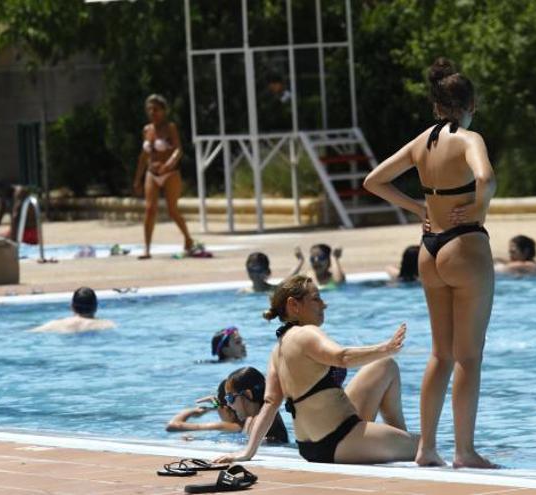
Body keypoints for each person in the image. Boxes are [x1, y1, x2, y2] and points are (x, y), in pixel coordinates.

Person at [363, 58, 497, 468]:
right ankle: (465, 451)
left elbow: (374, 180)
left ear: (436, 106)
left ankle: (426, 449)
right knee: (468, 357)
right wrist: (477, 209)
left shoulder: (423, 141)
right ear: (469, 103)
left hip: (429, 249)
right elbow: (487, 179)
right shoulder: (469, 139)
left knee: (440, 354)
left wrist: (415, 205)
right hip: (465, 248)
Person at [214, 276, 416, 465]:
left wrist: (248, 452)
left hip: (310, 447)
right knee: (426, 446)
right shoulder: (306, 334)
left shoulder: (278, 351)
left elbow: (270, 404)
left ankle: (398, 437)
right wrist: (385, 348)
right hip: (340, 439)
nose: (324, 304)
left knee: (384, 366)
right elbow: (342, 357)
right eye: (316, 299)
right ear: (294, 305)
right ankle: (403, 442)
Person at [132, 94, 194, 259]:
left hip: (170, 173)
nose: (153, 112)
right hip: (152, 173)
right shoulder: (147, 130)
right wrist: (137, 178)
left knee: (172, 210)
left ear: (164, 111)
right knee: (149, 209)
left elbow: (178, 149)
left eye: (156, 109)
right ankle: (147, 248)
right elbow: (144, 156)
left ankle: (188, 238)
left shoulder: (170, 128)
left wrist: (169, 164)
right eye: (150, 109)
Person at [167, 369, 289, 444]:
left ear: (247, 394)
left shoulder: (258, 419)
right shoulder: (251, 419)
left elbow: (172, 426)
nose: (230, 404)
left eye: (230, 398)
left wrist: (192, 411)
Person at [30, 287, 115, 333]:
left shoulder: (56, 324)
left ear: (72, 306)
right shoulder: (107, 325)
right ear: (96, 307)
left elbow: (32, 332)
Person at [0, 179, 38, 244]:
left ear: (5, 188)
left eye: (0, 194)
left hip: (29, 233)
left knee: (0, 242)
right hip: (16, 231)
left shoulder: (19, 192)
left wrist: (13, 239)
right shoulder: (4, 196)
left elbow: (16, 215)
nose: (0, 197)